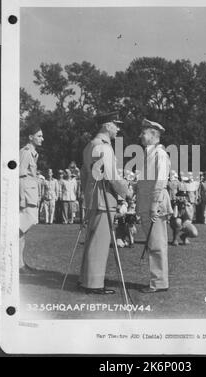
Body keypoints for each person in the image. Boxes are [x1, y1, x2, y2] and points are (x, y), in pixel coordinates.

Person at [79, 112, 130, 295]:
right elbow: (113, 177)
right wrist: (127, 191)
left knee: (92, 240)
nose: (118, 129)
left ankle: (85, 279)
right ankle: (93, 284)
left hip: (93, 198)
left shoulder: (89, 145)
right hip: (104, 199)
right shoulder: (104, 147)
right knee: (100, 243)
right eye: (116, 125)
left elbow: (84, 175)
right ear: (107, 126)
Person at [136, 119, 173, 293]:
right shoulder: (147, 154)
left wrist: (154, 204)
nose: (140, 136)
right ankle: (157, 280)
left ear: (153, 135)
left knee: (157, 244)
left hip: (154, 204)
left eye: (143, 133)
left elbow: (160, 181)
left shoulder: (160, 154)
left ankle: (159, 283)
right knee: (152, 243)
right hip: (146, 204)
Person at [19, 125, 44, 273]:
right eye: (39, 136)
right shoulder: (26, 152)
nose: (42, 139)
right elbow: (20, 176)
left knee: (23, 231)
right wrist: (21, 199)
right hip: (26, 197)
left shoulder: (33, 153)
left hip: (31, 196)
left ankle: (20, 262)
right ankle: (18, 264)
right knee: (20, 231)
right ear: (30, 137)